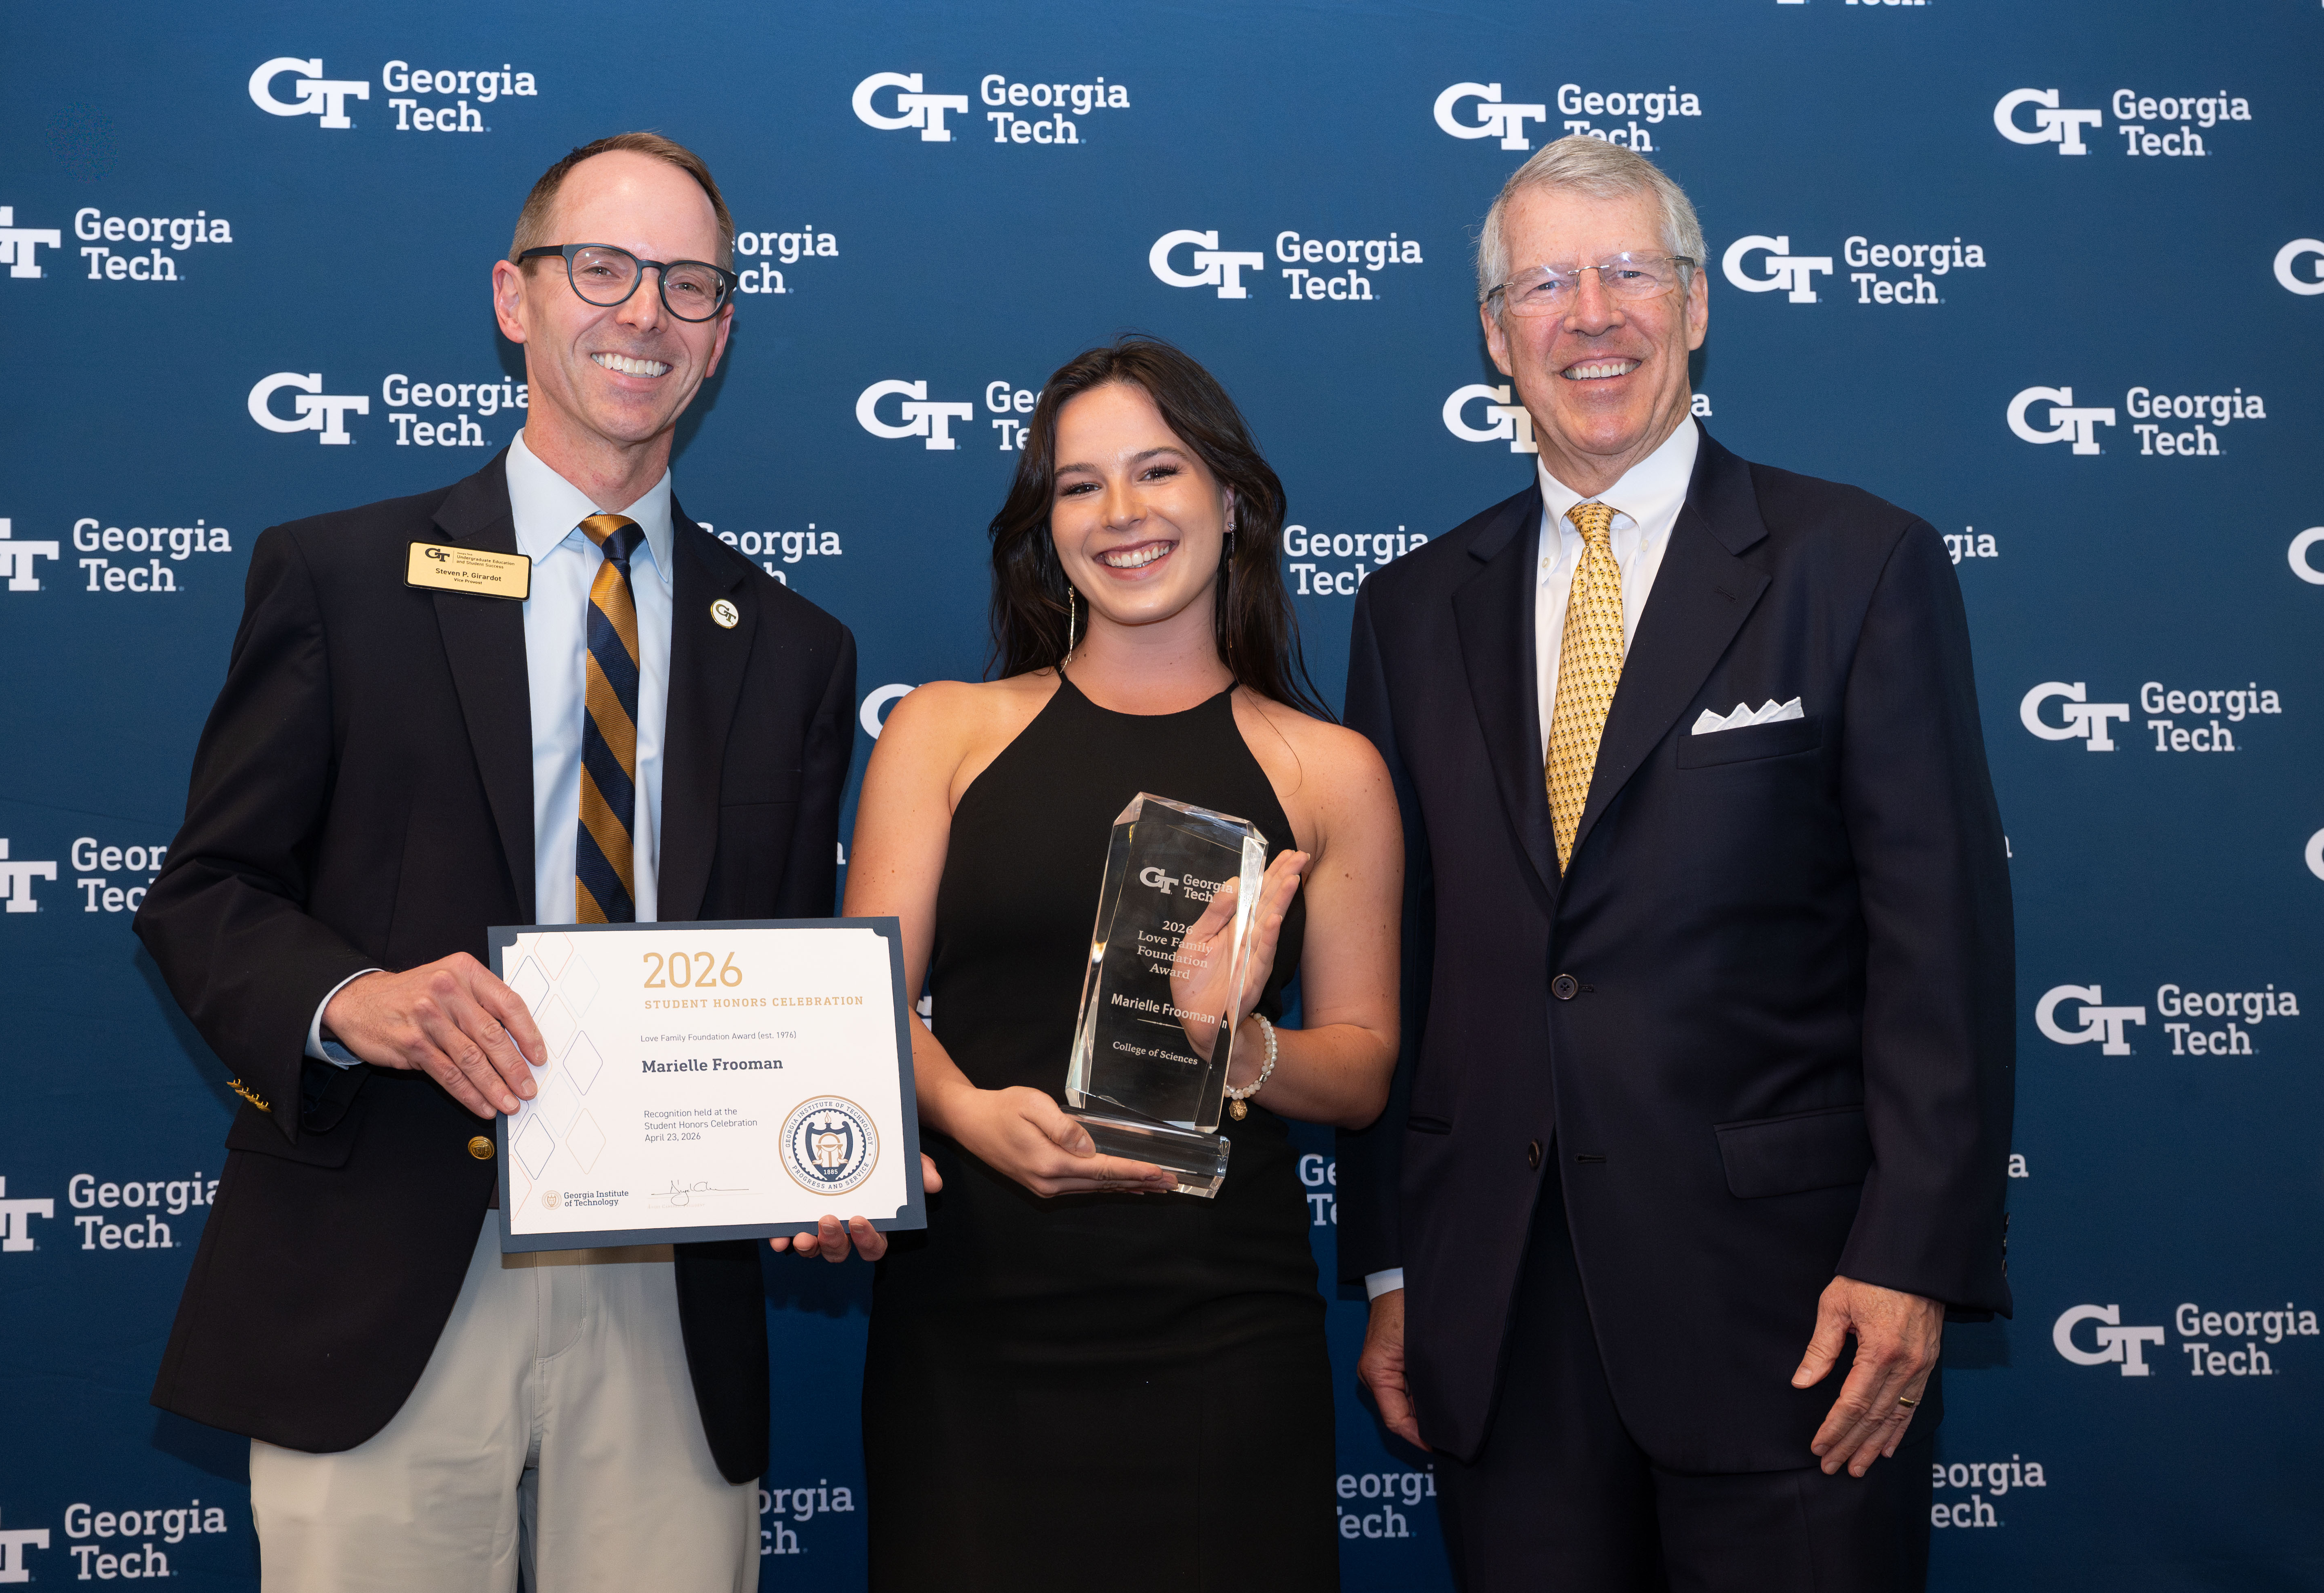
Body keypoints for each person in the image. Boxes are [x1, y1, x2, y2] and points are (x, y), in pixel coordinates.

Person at [133, 133, 881, 1592]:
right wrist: (355, 997)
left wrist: (825, 1136)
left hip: (671, 1291)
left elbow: (788, 969)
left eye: (690, 284)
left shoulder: (794, 648)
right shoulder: (341, 576)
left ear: (723, 332)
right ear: (514, 297)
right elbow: (206, 893)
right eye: (601, 269)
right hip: (389, 1261)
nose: (644, 313)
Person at [1341, 138, 2014, 1591]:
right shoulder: (1407, 613)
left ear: (1697, 305)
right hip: (1500, 1317)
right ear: (1494, 334)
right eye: (1546, 283)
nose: (1593, 314)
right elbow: (1405, 962)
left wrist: (1910, 1258)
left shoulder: (1857, 564)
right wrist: (1396, 1269)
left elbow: (1938, 948)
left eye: (1629, 270)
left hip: (1794, 1320)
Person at [840, 338, 1401, 1591]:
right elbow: (863, 1005)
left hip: (1222, 1334)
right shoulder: (944, 732)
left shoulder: (1330, 769)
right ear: (1046, 526)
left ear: (1232, 500)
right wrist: (972, 1116)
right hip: (973, 1328)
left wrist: (1237, 1043)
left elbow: (1362, 1072)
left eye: (1160, 469)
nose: (1125, 513)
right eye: (1081, 484)